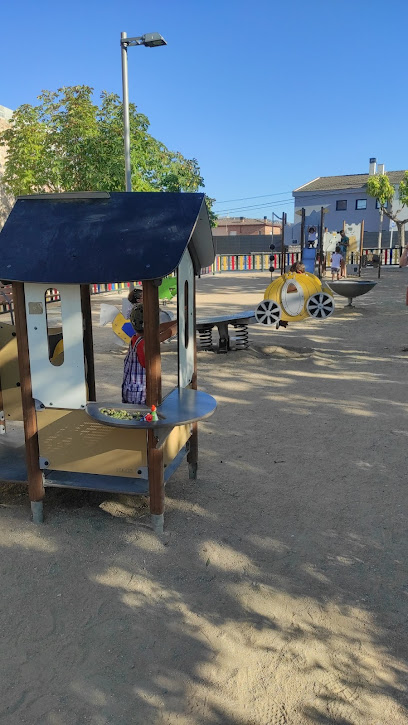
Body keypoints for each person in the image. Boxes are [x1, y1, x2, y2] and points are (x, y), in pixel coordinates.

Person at [122, 303, 177, 404]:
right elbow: (169, 332)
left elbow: (161, 327)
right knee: (143, 417)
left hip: (130, 389)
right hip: (139, 394)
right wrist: (183, 322)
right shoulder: (146, 343)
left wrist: (179, 320)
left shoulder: (136, 338)